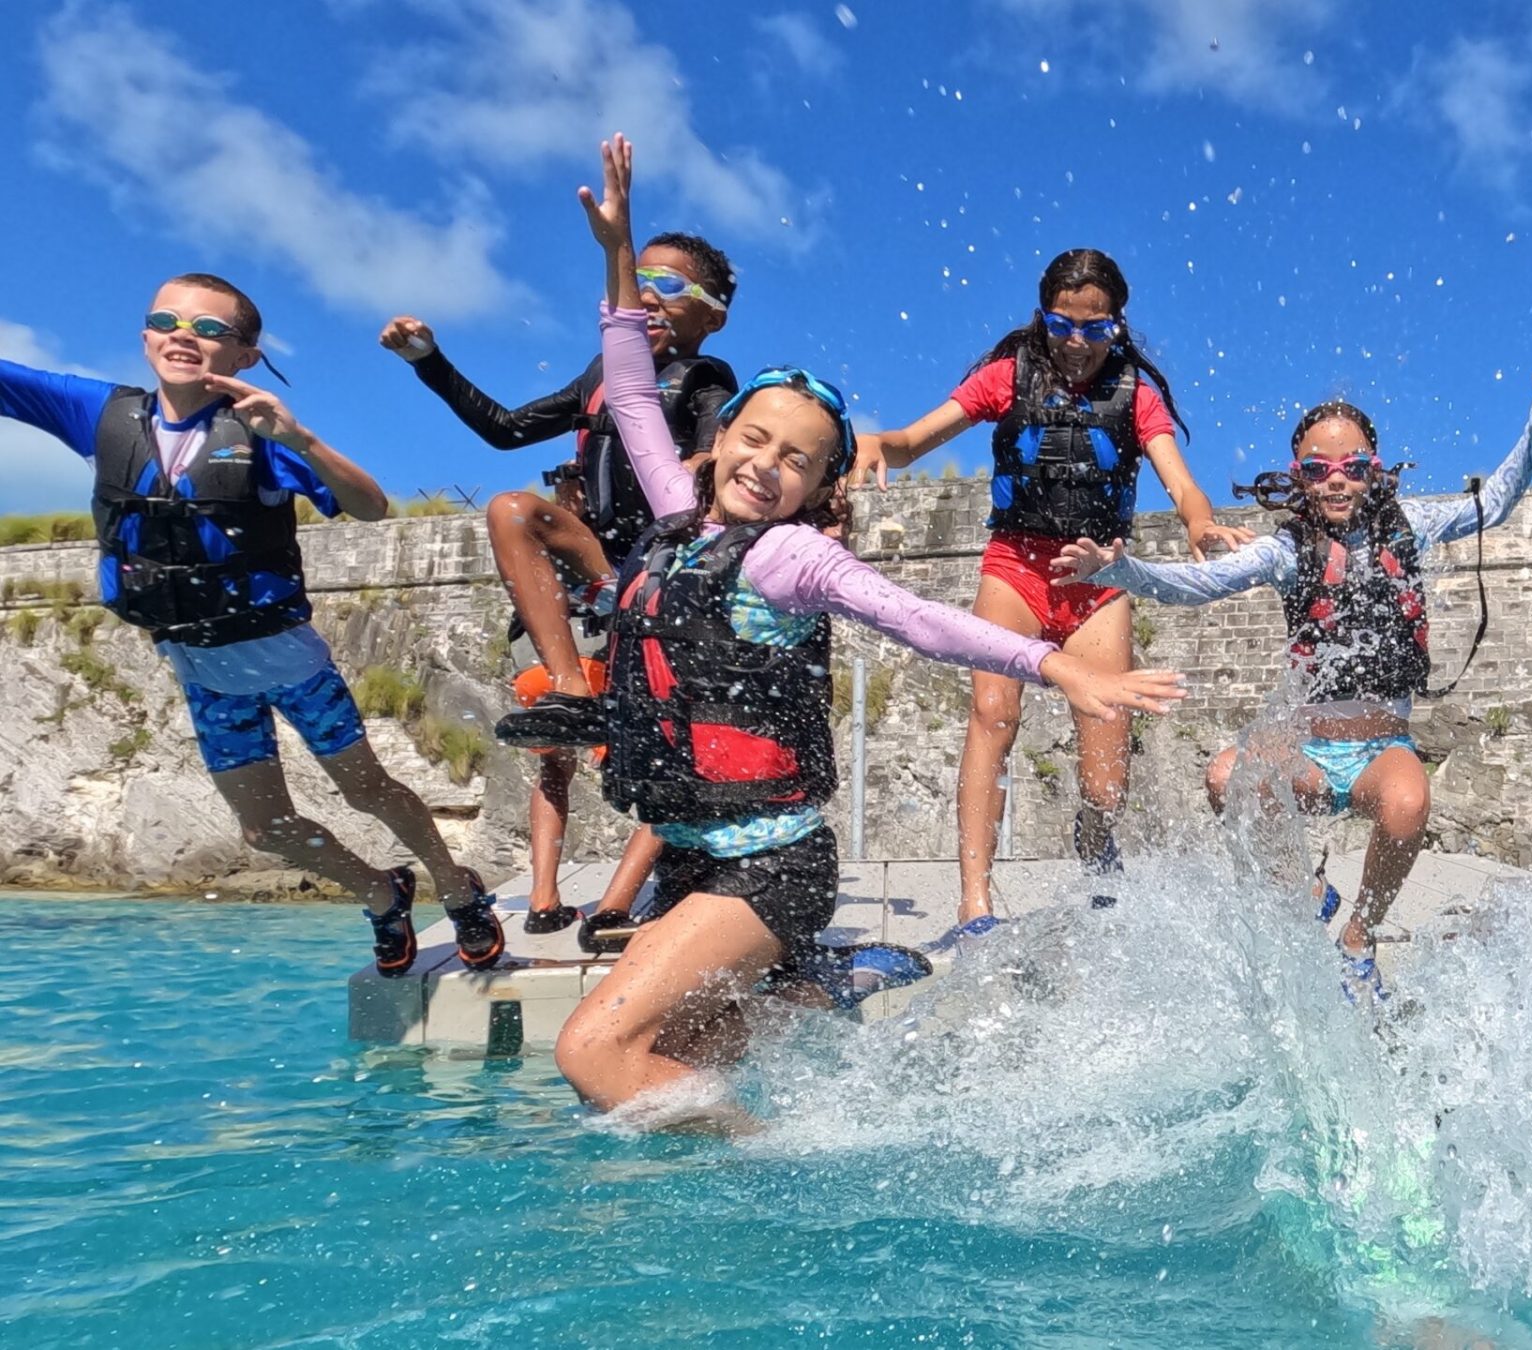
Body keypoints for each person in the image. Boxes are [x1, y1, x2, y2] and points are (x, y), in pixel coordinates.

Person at [539, 137, 1188, 1124]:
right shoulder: (675, 506)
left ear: (818, 484)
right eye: (754, 440)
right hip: (692, 854)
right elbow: (629, 388)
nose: (767, 465)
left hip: (769, 866)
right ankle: (815, 996)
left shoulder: (794, 559)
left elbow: (923, 623)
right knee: (664, 1071)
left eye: (797, 459)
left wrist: (1059, 668)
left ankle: (780, 1162)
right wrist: (620, 254)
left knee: (594, 1054)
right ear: (715, 448)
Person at [0, 273, 499, 973]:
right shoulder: (100, 414)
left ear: (245, 354)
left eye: (208, 329)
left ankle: (454, 881)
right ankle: (381, 892)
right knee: (268, 830)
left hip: (287, 659)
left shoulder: (260, 430)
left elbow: (370, 508)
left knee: (367, 788)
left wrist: (299, 436)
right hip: (201, 669)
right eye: (166, 320)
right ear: (145, 335)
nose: (183, 335)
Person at [1055, 364, 1532, 995]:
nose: (1336, 479)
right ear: (1299, 477)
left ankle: (1360, 938)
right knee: (1228, 775)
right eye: (1317, 469)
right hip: (1307, 746)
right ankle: (1306, 890)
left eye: (1352, 466)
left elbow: (1494, 502)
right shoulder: (1284, 551)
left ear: (1374, 468)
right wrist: (1121, 572)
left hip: (1377, 750)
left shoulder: (1411, 526)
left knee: (1408, 803)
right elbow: (1199, 584)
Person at [854, 249, 1249, 936]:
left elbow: (1180, 482)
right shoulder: (1006, 377)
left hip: (1097, 580)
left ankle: (1096, 835)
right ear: (1042, 317)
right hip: (1015, 566)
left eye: (1094, 330)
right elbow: (914, 438)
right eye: (1061, 324)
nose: (1075, 343)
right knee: (993, 715)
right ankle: (974, 901)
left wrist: (1199, 520)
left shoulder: (1137, 395)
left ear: (1117, 327)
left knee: (1106, 779)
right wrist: (878, 448)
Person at [379, 232, 739, 932]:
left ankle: (613, 904)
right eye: (636, 282)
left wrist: (704, 466)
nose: (646, 297)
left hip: (655, 566)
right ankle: (570, 692)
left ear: (712, 315)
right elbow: (507, 430)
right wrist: (429, 360)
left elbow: (711, 455)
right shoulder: (595, 377)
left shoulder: (707, 379)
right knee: (511, 508)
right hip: (591, 565)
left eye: (669, 285)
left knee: (676, 746)